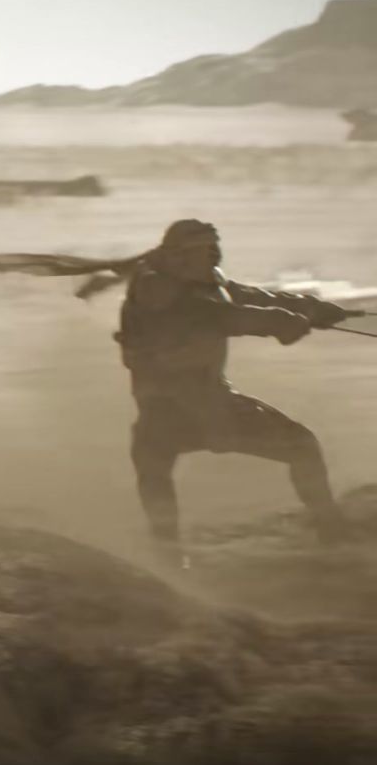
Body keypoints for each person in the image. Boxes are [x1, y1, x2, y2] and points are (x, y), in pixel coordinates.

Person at [116, 219, 357, 567]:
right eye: (208, 251)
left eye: (215, 250)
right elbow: (222, 316)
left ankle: (167, 556)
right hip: (193, 411)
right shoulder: (160, 295)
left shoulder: (194, 280)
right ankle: (333, 535)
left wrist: (310, 307)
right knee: (303, 447)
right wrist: (279, 321)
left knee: (154, 472)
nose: (215, 257)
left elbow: (244, 297)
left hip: (174, 411)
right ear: (183, 256)